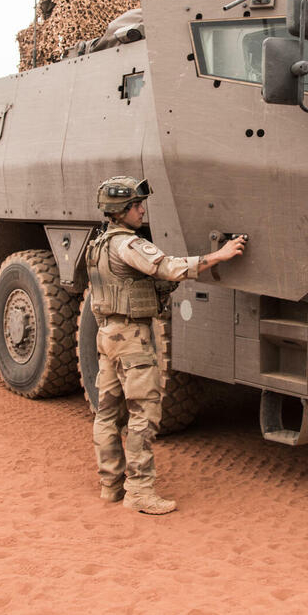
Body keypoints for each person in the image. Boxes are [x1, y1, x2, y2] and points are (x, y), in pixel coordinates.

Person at [85, 175, 246, 514]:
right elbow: (169, 268)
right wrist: (219, 255)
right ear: (121, 210)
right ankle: (140, 491)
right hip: (132, 341)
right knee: (143, 414)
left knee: (107, 414)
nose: (142, 210)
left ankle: (110, 485)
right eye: (136, 205)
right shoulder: (128, 245)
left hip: (108, 336)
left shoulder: (99, 243)